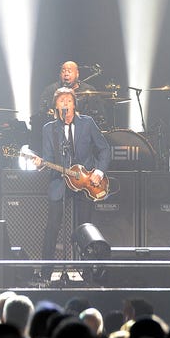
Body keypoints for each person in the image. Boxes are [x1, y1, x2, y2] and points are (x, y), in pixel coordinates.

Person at [34, 87, 111, 280]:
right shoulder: (49, 129)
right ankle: (46, 273)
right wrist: (41, 164)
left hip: (86, 184)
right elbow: (48, 158)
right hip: (60, 183)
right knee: (52, 226)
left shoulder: (87, 123)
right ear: (55, 107)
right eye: (61, 101)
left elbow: (104, 149)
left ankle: (88, 273)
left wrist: (99, 172)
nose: (65, 104)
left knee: (85, 227)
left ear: (74, 104)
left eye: (68, 100)